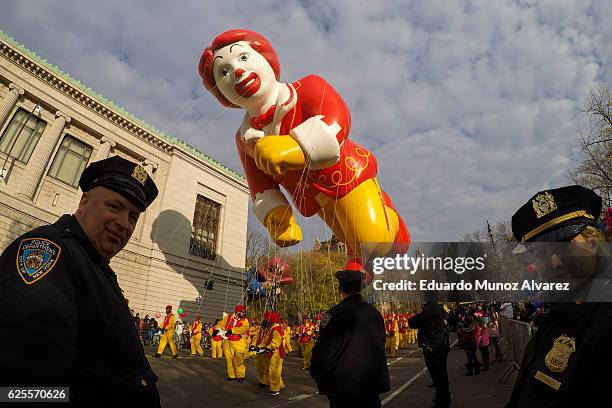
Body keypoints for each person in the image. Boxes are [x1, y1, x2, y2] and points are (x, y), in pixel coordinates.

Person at [199, 29, 409, 277]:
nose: (237, 71)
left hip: (347, 174)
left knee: (373, 242)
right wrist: (276, 216)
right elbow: (260, 184)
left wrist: (293, 147)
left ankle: (392, 225)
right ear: (221, 93)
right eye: (223, 72)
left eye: (243, 58)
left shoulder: (308, 87)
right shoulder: (243, 138)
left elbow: (336, 120)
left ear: (265, 58)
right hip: (313, 198)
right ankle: (357, 259)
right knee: (345, 234)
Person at [0, 155, 160, 405]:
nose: (124, 224)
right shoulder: (49, 252)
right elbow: (25, 388)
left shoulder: (93, 265)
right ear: (83, 202)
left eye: (132, 217)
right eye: (115, 207)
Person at [506, 185, 612, 407]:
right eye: (542, 252)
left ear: (592, 242)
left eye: (564, 244)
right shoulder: (560, 311)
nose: (554, 261)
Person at [310, 270, 390, 408]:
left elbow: (323, 352)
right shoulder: (375, 314)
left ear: (339, 288)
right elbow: (379, 346)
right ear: (360, 287)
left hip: (344, 389)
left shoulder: (334, 315)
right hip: (371, 386)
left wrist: (317, 374)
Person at [409, 292, 451, 408]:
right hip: (442, 344)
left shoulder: (429, 309)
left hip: (432, 346)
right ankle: (443, 397)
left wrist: (419, 313)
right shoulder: (440, 308)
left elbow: (412, 323)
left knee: (437, 374)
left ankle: (442, 401)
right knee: (442, 373)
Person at [221, 305, 250, 382]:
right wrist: (218, 330)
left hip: (239, 341)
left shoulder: (245, 320)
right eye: (242, 312)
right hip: (228, 340)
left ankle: (241, 376)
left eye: (244, 312)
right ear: (237, 311)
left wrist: (232, 331)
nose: (243, 313)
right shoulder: (229, 317)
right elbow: (221, 324)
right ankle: (231, 375)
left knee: (238, 359)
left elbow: (243, 329)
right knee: (229, 359)